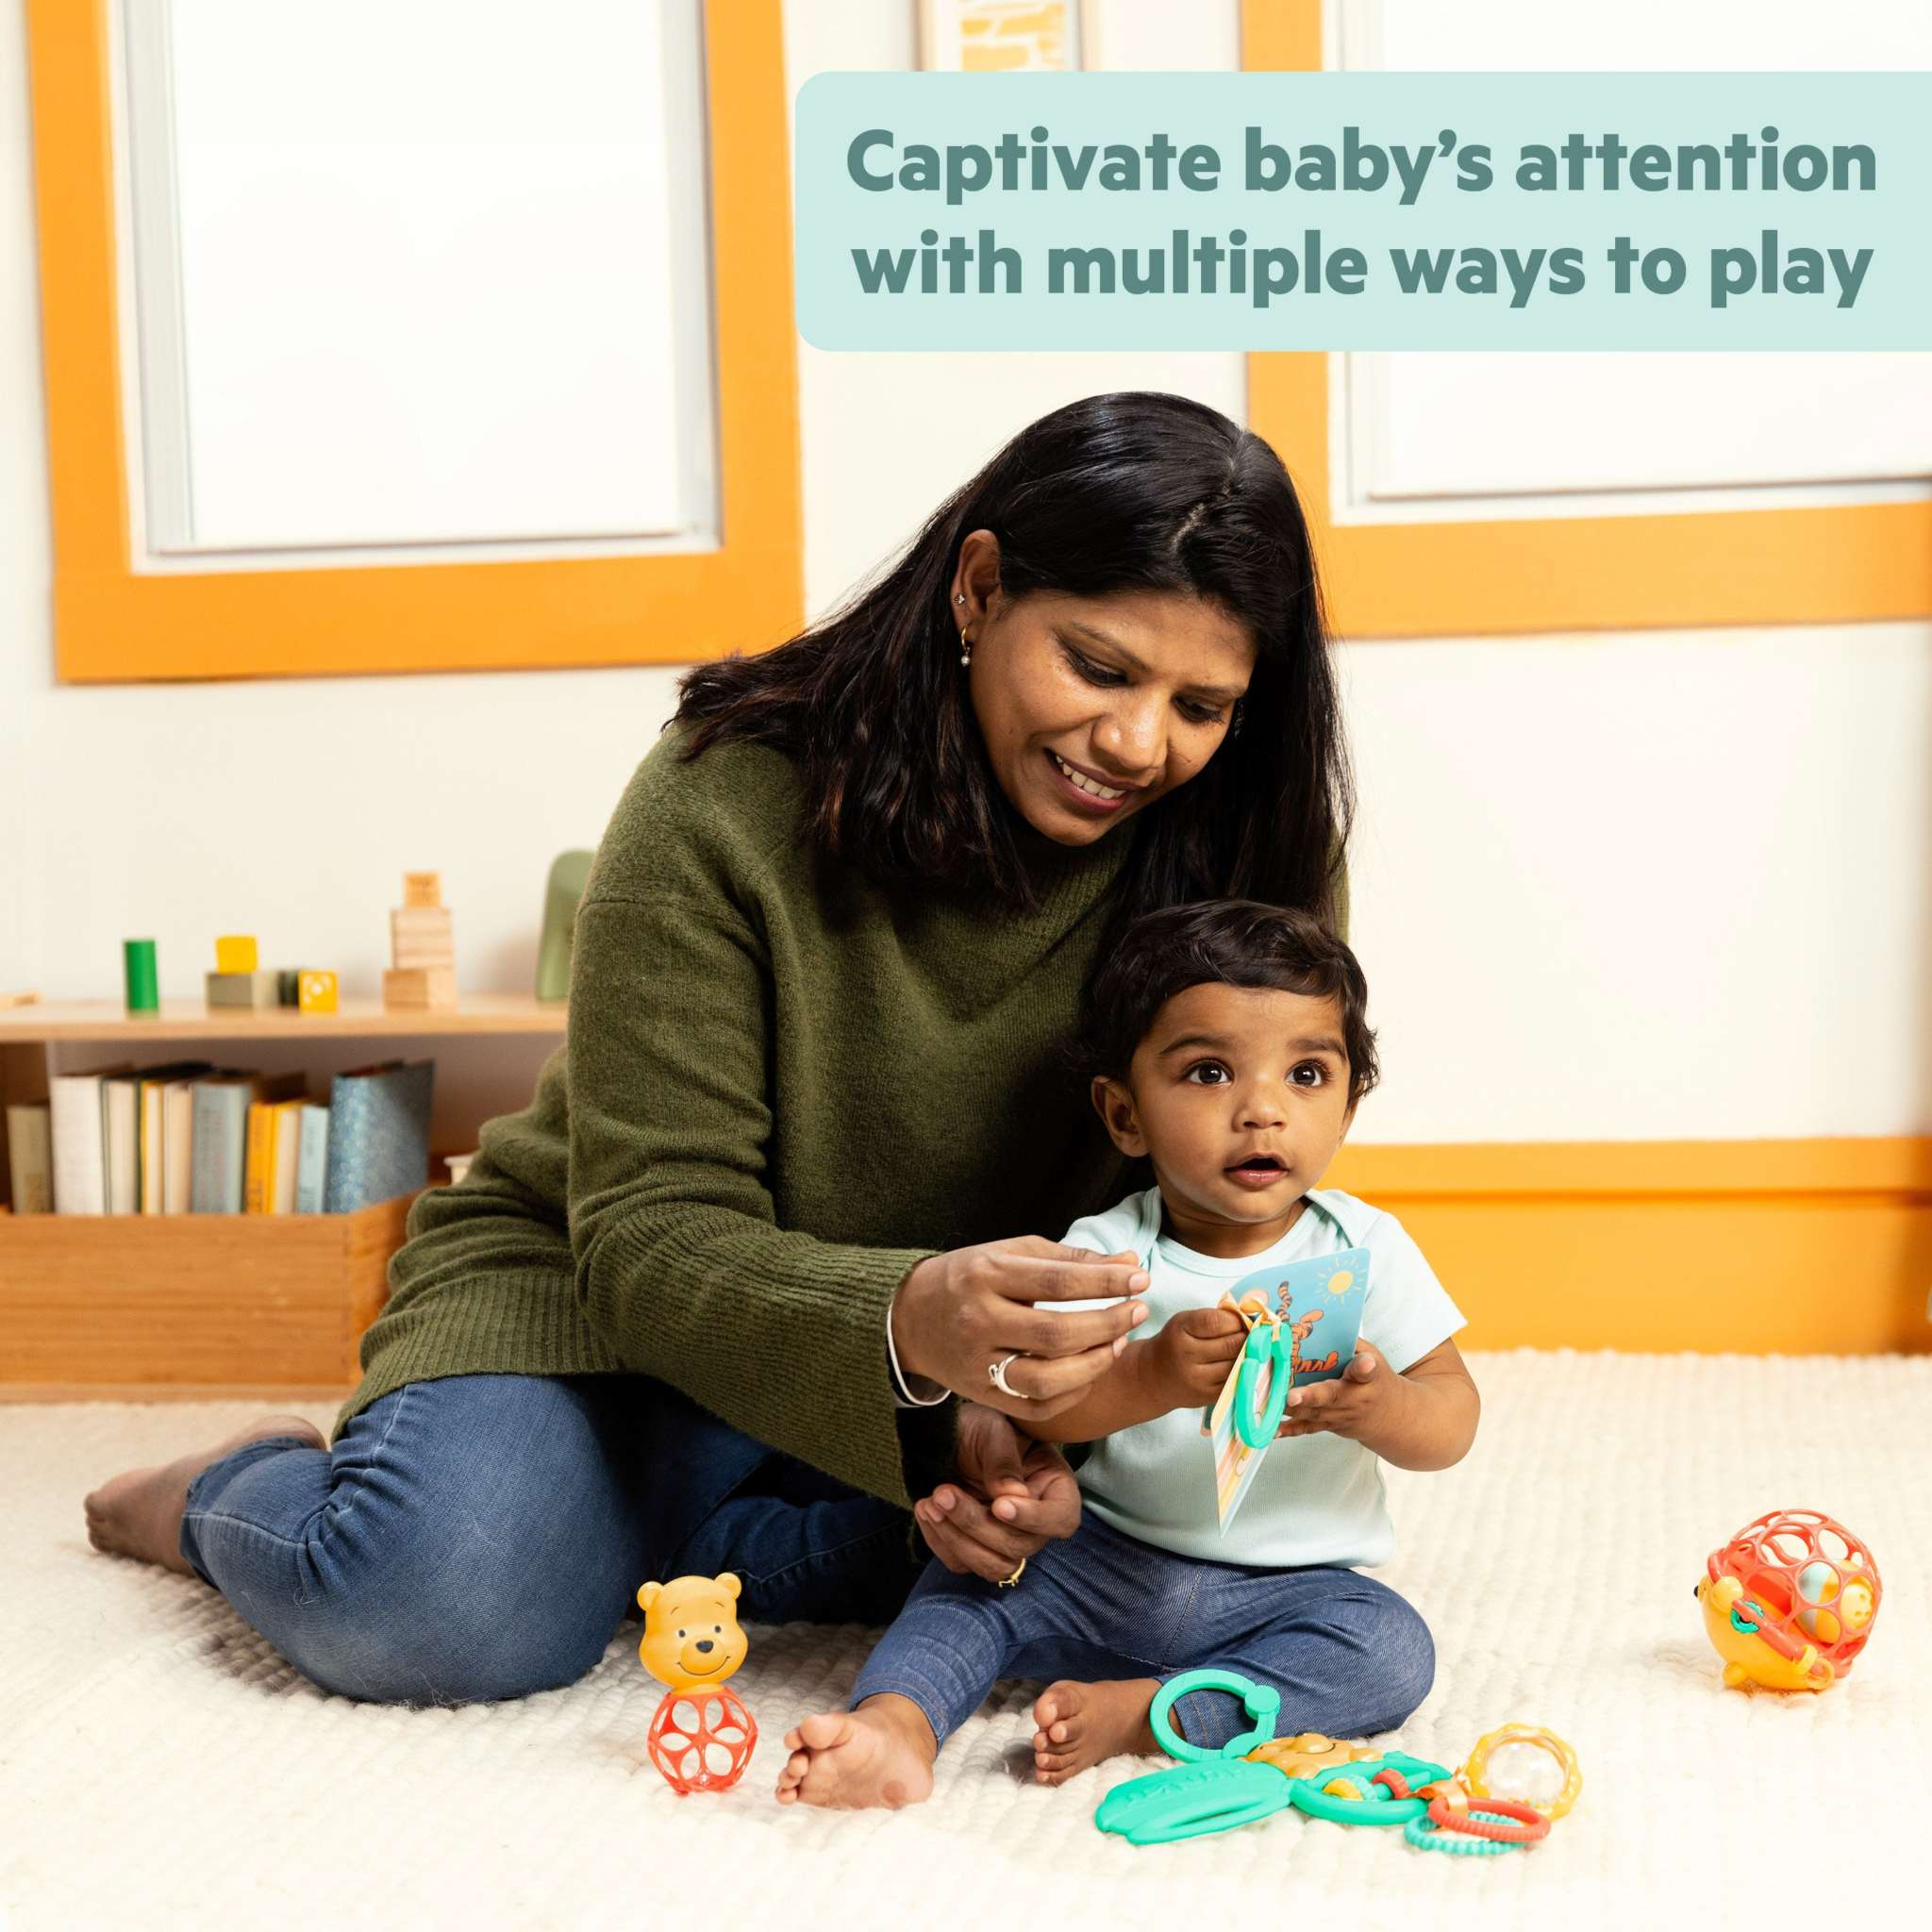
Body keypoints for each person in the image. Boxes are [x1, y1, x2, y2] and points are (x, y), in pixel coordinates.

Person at [83, 391, 1357, 1707]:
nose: (1139, 744)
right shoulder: (727, 793)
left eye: (1201, 705)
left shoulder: (1248, 850)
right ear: (979, 590)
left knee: (1174, 1588)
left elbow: (1223, 1207)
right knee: (428, 1607)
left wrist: (1022, 1429)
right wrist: (909, 1323)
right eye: (1096, 667)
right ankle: (223, 1492)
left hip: (949, 1381)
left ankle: (704, 1532)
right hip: (611, 1310)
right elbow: (648, 1236)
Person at [775, 901, 1479, 1810]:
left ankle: (1151, 1716)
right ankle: (898, 1724)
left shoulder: (1365, 1249)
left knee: (1390, 1653)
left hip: (1287, 1587)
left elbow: (1453, 1419)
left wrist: (1382, 1408)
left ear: (1347, 1108)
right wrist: (1147, 1376)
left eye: (1307, 1074)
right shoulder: (1108, 1251)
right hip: (1105, 1560)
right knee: (961, 1586)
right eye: (1209, 1072)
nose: (1262, 1110)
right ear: (1124, 1114)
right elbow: (1045, 1411)